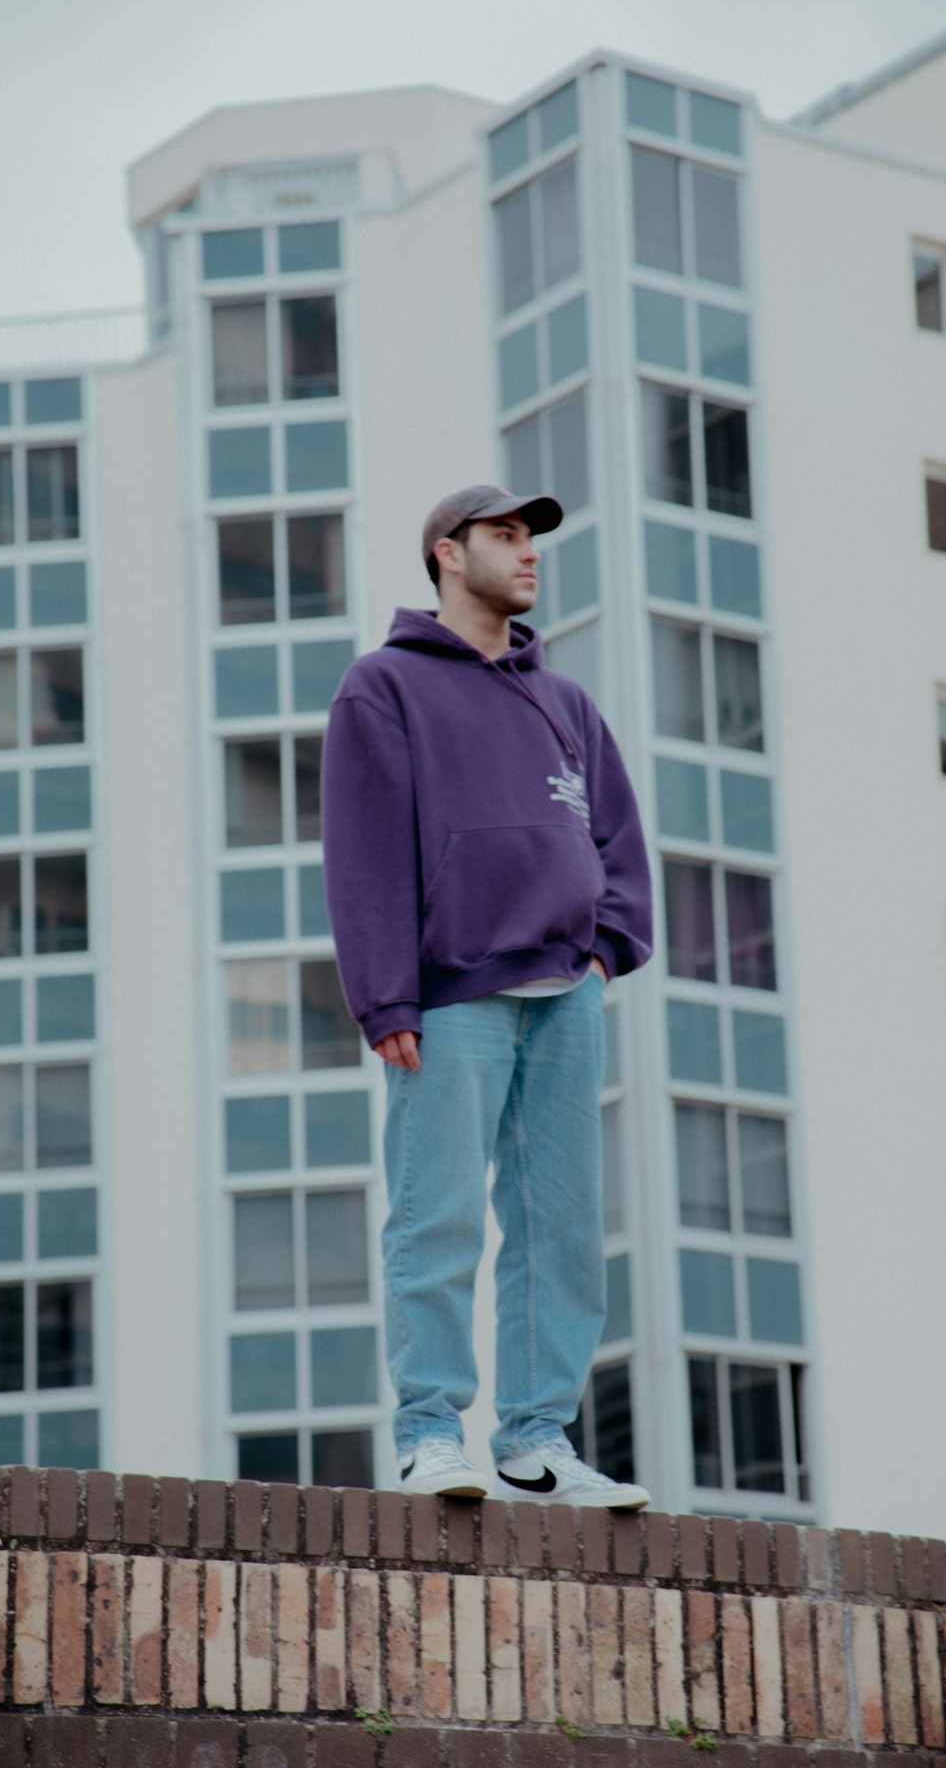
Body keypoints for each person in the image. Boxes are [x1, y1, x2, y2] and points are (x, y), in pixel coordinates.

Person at [321, 484, 653, 1507]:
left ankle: (537, 1441)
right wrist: (386, 1000)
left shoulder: (566, 702)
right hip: (450, 994)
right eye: (504, 536)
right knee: (438, 1218)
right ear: (445, 553)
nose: (527, 553)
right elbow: (363, 853)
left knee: (559, 1227)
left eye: (532, 537)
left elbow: (620, 842)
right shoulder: (383, 686)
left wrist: (606, 948)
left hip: (564, 995)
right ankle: (430, 1433)